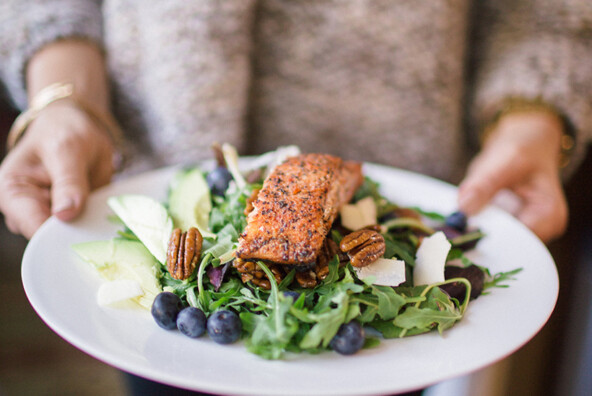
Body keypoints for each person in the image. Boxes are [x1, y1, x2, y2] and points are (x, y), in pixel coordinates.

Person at [0, 1, 590, 394]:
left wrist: (530, 114)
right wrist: (64, 96)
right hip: (158, 182)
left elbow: (547, 11)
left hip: (411, 187)